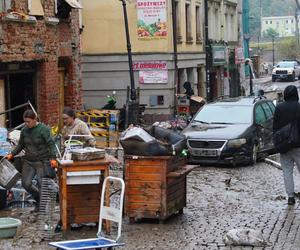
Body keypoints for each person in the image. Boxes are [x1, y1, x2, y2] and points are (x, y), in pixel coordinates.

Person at [6, 110, 57, 212]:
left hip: (42, 161)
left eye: (28, 121)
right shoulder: (24, 130)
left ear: (35, 119)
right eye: (25, 122)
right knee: (26, 183)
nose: (26, 124)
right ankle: (38, 197)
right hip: (29, 161)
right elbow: (21, 144)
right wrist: (12, 153)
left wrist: (53, 158)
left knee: (41, 183)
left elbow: (50, 144)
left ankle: (41, 208)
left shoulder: (44, 129)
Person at [273, 85, 300, 205]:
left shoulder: (279, 108)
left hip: (284, 146)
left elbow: (275, 127)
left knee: (287, 171)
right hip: (298, 145)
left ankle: (290, 197)